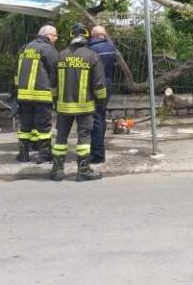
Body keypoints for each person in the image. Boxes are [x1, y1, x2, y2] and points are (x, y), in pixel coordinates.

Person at [50, 23, 107, 182]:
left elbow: (53, 84)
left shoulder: (60, 55)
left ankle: (57, 170)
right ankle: (83, 170)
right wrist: (101, 102)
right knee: (84, 136)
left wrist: (55, 100)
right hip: (85, 106)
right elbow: (99, 84)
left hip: (63, 106)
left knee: (61, 136)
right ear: (87, 37)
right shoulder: (91, 56)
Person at [15, 25, 59, 163]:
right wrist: (55, 92)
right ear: (48, 35)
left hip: (23, 95)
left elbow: (16, 70)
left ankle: (23, 154)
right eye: (55, 35)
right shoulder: (48, 49)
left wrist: (18, 88)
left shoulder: (25, 48)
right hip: (42, 95)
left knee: (25, 125)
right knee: (44, 127)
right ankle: (44, 154)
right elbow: (55, 71)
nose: (56, 39)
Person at [88, 25, 117, 164]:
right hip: (108, 83)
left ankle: (97, 153)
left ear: (93, 35)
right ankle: (99, 147)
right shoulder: (111, 47)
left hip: (96, 84)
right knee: (102, 114)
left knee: (96, 118)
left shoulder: (91, 49)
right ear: (103, 35)